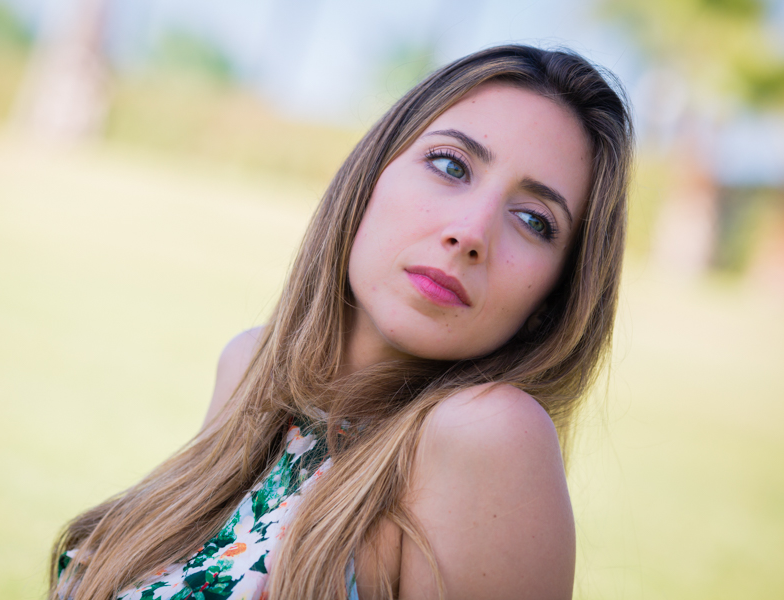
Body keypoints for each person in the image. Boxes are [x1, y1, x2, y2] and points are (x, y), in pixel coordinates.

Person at [50, 44, 633, 600]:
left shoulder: (488, 435)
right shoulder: (249, 368)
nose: (471, 233)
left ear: (553, 300)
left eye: (533, 220)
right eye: (451, 165)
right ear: (371, 175)